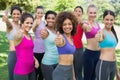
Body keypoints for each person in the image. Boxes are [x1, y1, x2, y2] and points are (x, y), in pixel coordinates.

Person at [52, 11, 77, 80]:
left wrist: (73, 76)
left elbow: (71, 61)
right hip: (61, 72)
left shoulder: (71, 39)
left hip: (70, 71)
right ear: (61, 26)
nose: (67, 26)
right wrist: (58, 40)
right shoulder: (61, 37)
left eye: (69, 24)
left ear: (73, 25)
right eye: (64, 24)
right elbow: (59, 41)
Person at [14, 12, 39, 80]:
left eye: (31, 23)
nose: (29, 25)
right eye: (27, 23)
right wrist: (19, 31)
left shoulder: (30, 36)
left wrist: (35, 60)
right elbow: (16, 35)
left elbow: (29, 52)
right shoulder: (19, 35)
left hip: (31, 69)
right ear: (22, 23)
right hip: (21, 71)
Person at [95, 10, 118, 80]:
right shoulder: (102, 32)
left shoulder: (112, 33)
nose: (109, 22)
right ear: (103, 20)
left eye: (111, 20)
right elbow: (99, 37)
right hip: (104, 64)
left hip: (113, 65)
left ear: (114, 20)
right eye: (107, 19)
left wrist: (117, 71)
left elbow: (113, 53)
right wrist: (98, 37)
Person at [2, 5, 22, 80]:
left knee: (20, 76)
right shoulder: (10, 25)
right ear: (11, 15)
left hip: (22, 54)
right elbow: (8, 23)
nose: (16, 16)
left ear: (21, 14)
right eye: (14, 14)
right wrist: (6, 20)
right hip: (13, 54)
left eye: (18, 14)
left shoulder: (21, 26)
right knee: (12, 76)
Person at [82, 4, 101, 80]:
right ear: (87, 13)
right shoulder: (85, 24)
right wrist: (87, 27)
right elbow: (85, 28)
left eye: (94, 13)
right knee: (87, 77)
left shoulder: (97, 24)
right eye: (91, 13)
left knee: (94, 76)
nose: (93, 15)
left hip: (98, 53)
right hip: (89, 54)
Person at [40, 10, 59, 80]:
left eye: (53, 18)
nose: (50, 20)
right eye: (48, 18)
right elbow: (43, 34)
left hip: (57, 62)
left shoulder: (57, 30)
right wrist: (43, 33)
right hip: (47, 63)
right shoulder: (45, 31)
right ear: (46, 19)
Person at [32, 6, 45, 80]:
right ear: (36, 13)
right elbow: (33, 29)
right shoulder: (35, 21)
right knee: (36, 67)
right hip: (36, 47)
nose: (40, 14)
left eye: (41, 13)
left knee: (42, 69)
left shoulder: (44, 22)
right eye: (38, 13)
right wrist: (36, 24)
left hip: (44, 47)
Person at [73, 6, 84, 80]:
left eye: (79, 11)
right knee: (70, 68)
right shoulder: (70, 22)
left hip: (79, 49)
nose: (77, 12)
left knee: (78, 69)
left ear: (82, 13)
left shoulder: (82, 23)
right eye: (76, 11)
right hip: (69, 48)